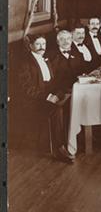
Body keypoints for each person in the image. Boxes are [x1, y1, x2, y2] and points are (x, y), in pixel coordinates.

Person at [19, 35, 74, 163]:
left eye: (43, 44)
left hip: (47, 95)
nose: (41, 47)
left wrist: (58, 94)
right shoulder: (25, 63)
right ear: (30, 46)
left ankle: (70, 141)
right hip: (34, 101)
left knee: (70, 100)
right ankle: (58, 149)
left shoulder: (46, 59)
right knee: (56, 110)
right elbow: (27, 89)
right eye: (38, 44)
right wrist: (48, 97)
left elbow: (52, 82)